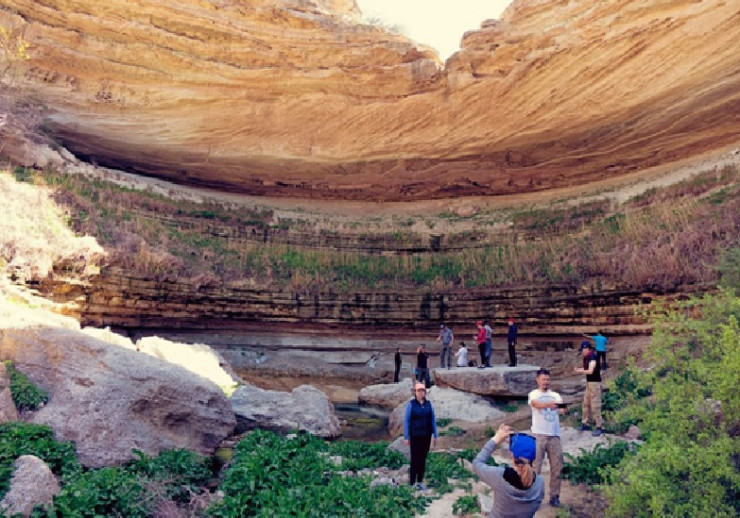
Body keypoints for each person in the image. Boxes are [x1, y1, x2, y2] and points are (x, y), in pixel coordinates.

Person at [473, 424, 545, 517]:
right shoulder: (539, 483)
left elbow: (477, 463)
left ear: (511, 455)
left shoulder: (500, 476)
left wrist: (496, 439)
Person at [528, 368, 566, 508]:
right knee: (535, 468)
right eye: (543, 379)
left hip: (554, 435)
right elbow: (535, 404)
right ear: (537, 380)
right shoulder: (534, 394)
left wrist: (563, 409)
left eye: (548, 379)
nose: (546, 382)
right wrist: (548, 405)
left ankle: (555, 496)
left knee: (557, 467)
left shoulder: (555, 395)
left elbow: (562, 407)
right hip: (538, 435)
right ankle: (532, 498)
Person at [403, 382, 438, 490]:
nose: (421, 393)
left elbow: (432, 419)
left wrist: (435, 435)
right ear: (415, 392)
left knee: (423, 458)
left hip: (426, 435)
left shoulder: (429, 405)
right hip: (415, 435)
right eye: (419, 391)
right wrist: (406, 437)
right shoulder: (411, 405)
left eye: (423, 390)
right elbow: (406, 421)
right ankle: (412, 482)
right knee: (415, 459)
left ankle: (420, 481)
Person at [574, 341, 604, 437]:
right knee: (586, 403)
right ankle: (585, 423)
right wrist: (579, 369)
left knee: (595, 405)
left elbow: (590, 371)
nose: (582, 352)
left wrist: (580, 372)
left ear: (587, 348)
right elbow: (586, 368)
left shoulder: (593, 357)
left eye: (583, 350)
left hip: (595, 383)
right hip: (589, 383)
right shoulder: (587, 358)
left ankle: (599, 426)